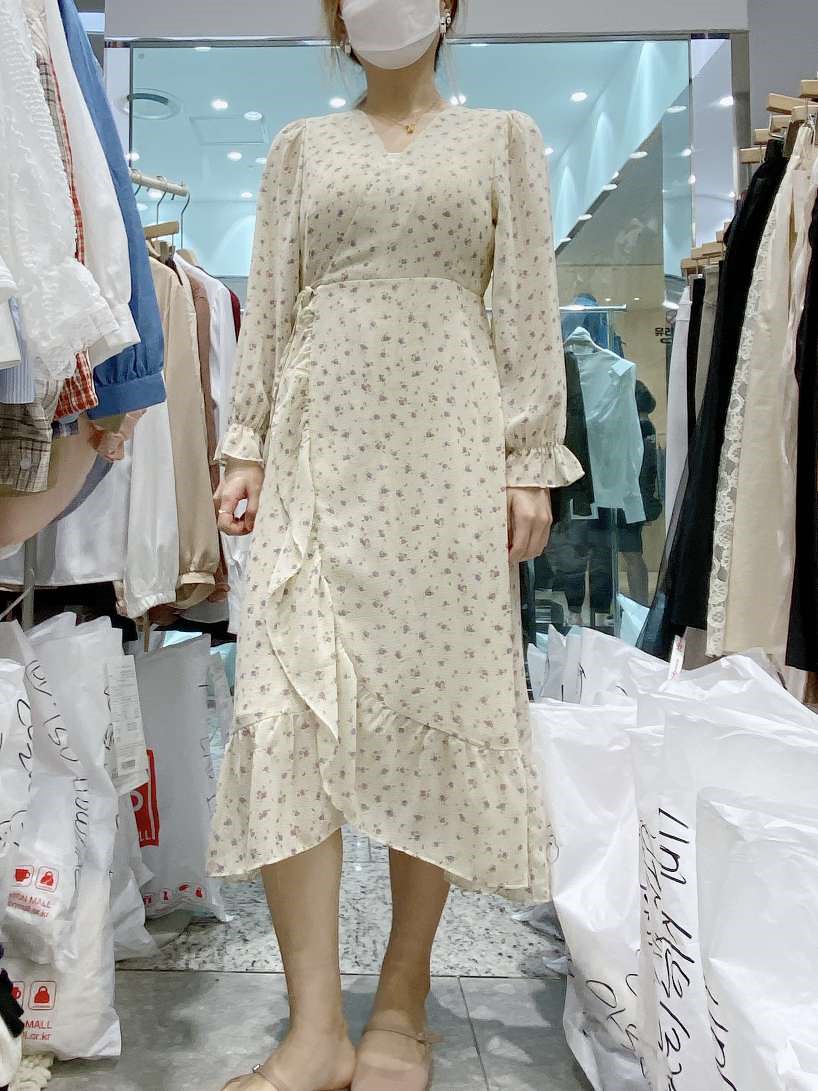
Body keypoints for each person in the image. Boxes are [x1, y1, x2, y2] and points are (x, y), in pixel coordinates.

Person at [211, 1, 582, 1088]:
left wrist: (528, 457)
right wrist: (245, 441)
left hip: (447, 447)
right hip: (318, 440)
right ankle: (315, 1028)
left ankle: (404, 1004)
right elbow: (271, 299)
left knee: (431, 698)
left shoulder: (502, 138)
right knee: (284, 707)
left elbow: (526, 304)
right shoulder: (300, 147)